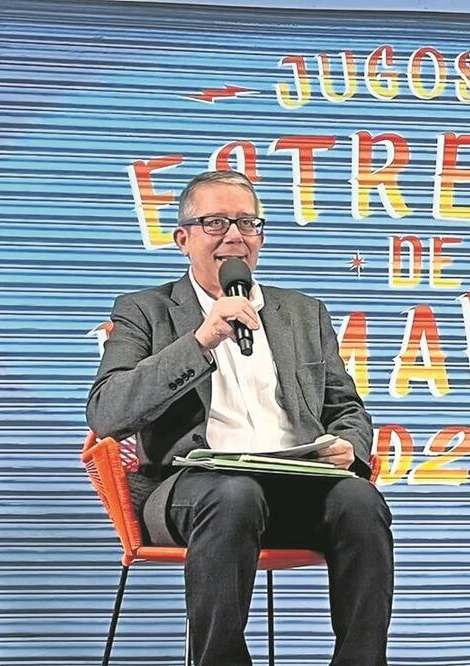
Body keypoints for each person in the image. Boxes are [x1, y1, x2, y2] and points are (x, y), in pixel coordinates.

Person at [86, 170, 393, 666]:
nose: (234, 236)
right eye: (215, 223)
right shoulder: (145, 311)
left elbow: (348, 409)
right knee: (234, 493)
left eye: (248, 223)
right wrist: (200, 341)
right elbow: (107, 411)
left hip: (294, 485)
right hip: (193, 491)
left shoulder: (304, 313)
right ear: (182, 239)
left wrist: (348, 446)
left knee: (360, 500)